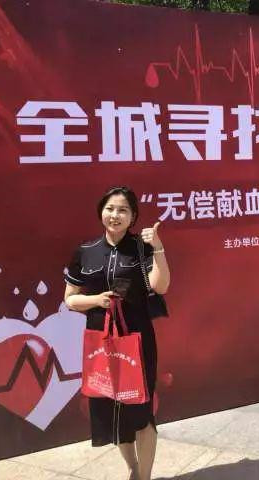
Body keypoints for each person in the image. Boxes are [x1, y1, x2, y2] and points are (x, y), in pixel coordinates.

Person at [64, 186, 170, 480]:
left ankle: (144, 476)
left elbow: (160, 286)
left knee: (142, 409)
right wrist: (96, 300)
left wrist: (158, 248)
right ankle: (133, 469)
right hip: (101, 340)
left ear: (133, 216)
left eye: (123, 210)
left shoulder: (142, 247)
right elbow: (70, 299)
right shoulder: (85, 252)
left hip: (137, 339)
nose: (115, 215)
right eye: (110, 208)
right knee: (114, 409)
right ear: (101, 211)